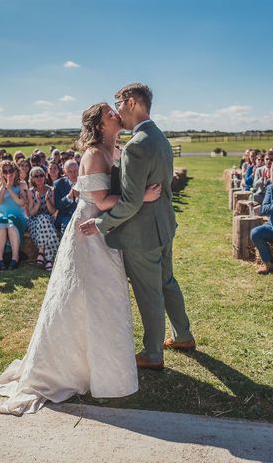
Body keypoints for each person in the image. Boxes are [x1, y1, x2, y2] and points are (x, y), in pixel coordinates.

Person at [0, 101, 161, 415]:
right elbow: (100, 199)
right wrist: (144, 196)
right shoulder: (95, 154)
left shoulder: (116, 149)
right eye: (110, 114)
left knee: (105, 298)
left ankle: (100, 363)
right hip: (91, 231)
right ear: (99, 125)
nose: (117, 114)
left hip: (107, 231)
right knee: (87, 296)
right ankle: (72, 366)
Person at [80, 83, 195, 370]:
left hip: (142, 235)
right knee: (167, 282)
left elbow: (131, 203)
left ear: (131, 103)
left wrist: (100, 223)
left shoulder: (135, 146)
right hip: (164, 226)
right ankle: (183, 335)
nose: (118, 111)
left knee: (149, 293)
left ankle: (153, 354)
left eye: (119, 104)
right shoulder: (158, 137)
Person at [0, 160, 28, 270]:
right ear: (0, 172)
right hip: (2, 217)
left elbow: (22, 202)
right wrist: (4, 185)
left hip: (18, 217)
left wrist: (10, 188)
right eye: (4, 171)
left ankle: (15, 257)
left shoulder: (21, 184)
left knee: (11, 224)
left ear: (15, 171)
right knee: (1, 224)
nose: (8, 173)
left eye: (10, 170)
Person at [27, 166, 59, 271]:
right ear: (32, 179)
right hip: (35, 222)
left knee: (44, 218)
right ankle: (49, 259)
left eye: (41, 175)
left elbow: (53, 212)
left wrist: (48, 201)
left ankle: (41, 252)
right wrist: (38, 203)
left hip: (49, 220)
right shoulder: (30, 192)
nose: (39, 178)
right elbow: (31, 213)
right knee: (42, 218)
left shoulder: (51, 190)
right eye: (36, 176)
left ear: (45, 176)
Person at [53, 160, 79, 235]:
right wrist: (69, 196)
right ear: (65, 172)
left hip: (82, 214)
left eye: (75, 171)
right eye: (70, 172)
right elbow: (58, 205)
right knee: (68, 225)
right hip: (66, 215)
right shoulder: (58, 184)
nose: (74, 174)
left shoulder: (85, 182)